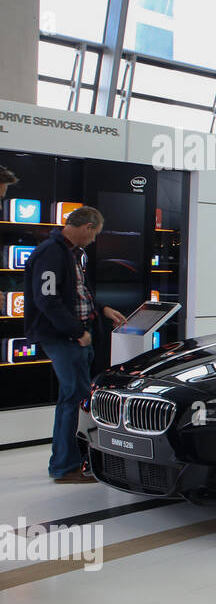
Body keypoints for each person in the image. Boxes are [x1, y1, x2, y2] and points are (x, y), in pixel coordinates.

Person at [23, 206, 128, 483]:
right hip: (64, 337)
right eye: (95, 235)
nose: (94, 241)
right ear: (87, 227)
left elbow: (79, 293)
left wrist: (102, 309)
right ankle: (65, 466)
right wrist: (76, 331)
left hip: (74, 335)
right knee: (75, 398)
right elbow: (48, 300)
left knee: (72, 397)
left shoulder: (73, 254)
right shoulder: (51, 252)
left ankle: (69, 462)